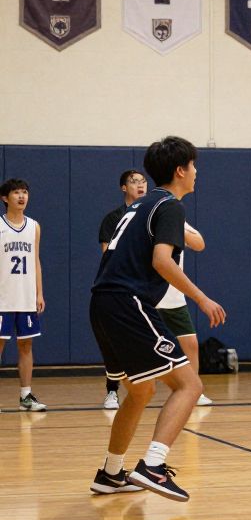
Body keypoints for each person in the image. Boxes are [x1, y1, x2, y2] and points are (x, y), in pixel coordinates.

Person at [89, 136, 226, 501]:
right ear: (180, 170)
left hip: (102, 302)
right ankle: (153, 465)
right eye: (194, 166)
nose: (197, 173)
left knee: (140, 390)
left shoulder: (141, 205)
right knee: (190, 386)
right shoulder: (168, 205)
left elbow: (193, 244)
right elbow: (162, 261)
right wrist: (202, 298)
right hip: (127, 301)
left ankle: (111, 472)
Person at [98, 169, 148, 409]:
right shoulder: (113, 218)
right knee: (116, 341)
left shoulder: (151, 215)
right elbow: (107, 254)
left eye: (143, 181)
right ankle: (111, 391)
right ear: (123, 188)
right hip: (118, 287)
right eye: (134, 181)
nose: (140, 185)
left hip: (144, 286)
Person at [0, 179, 46, 412]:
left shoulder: (33, 226)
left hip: (26, 296)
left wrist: (39, 292)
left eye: (25, 192)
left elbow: (36, 260)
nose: (21, 196)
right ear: (5, 198)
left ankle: (25, 396)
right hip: (3, 297)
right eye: (16, 192)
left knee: (26, 346)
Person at [156, 222, 213, 405]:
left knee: (190, 343)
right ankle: (118, 391)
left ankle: (193, 390)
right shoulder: (148, 219)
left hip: (174, 297)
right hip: (151, 295)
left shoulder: (176, 219)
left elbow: (199, 244)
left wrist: (178, 228)